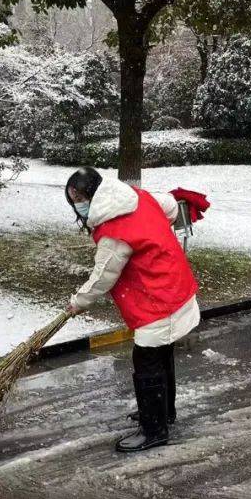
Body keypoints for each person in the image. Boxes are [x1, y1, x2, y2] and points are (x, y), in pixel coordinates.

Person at [64, 167, 200, 453]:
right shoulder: (137, 197)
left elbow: (102, 277)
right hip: (173, 285)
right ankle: (164, 413)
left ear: (91, 194)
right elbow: (171, 206)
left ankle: (153, 430)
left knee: (147, 361)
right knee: (161, 354)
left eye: (77, 197)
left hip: (157, 298)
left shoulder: (115, 232)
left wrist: (77, 303)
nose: (77, 203)